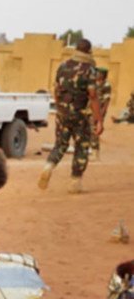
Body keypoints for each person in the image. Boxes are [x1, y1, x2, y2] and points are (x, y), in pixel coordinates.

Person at [38, 39, 103, 193]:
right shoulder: (90, 70)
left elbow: (56, 89)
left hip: (62, 113)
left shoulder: (63, 66)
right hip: (80, 114)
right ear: (88, 51)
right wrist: (98, 120)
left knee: (60, 144)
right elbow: (93, 95)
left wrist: (60, 108)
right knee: (81, 146)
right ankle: (75, 182)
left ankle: (48, 166)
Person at [92, 67, 112, 159]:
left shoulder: (106, 85)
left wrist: (101, 114)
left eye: (98, 73)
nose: (96, 74)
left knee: (95, 130)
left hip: (99, 111)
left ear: (103, 75)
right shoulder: (94, 83)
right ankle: (91, 150)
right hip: (91, 110)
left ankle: (95, 152)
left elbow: (107, 100)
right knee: (89, 129)